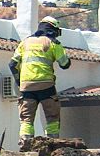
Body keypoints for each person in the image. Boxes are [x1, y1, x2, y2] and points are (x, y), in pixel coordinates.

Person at [10, 15, 72, 147]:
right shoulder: (53, 43)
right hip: (46, 86)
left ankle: (25, 145)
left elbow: (12, 64)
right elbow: (65, 64)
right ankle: (52, 144)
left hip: (26, 87)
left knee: (26, 120)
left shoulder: (25, 42)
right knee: (52, 117)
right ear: (53, 30)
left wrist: (19, 82)